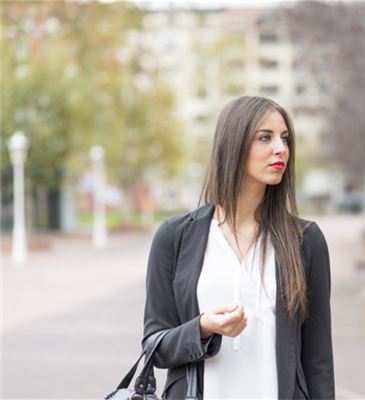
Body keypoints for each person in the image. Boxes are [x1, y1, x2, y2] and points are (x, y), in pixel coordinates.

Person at [142, 96, 335, 399]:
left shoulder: (305, 240)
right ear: (233, 144)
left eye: (285, 138)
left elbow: (318, 360)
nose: (281, 148)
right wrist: (202, 327)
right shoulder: (174, 237)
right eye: (265, 137)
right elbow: (156, 346)